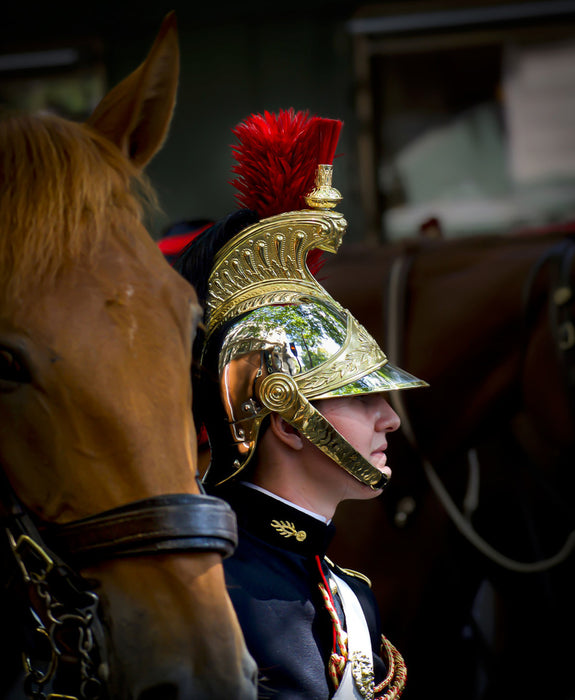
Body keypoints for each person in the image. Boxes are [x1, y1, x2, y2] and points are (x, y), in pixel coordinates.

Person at [175, 109, 428, 699]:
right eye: (359, 396)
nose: (389, 418)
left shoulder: (345, 590)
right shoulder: (214, 592)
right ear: (287, 418)